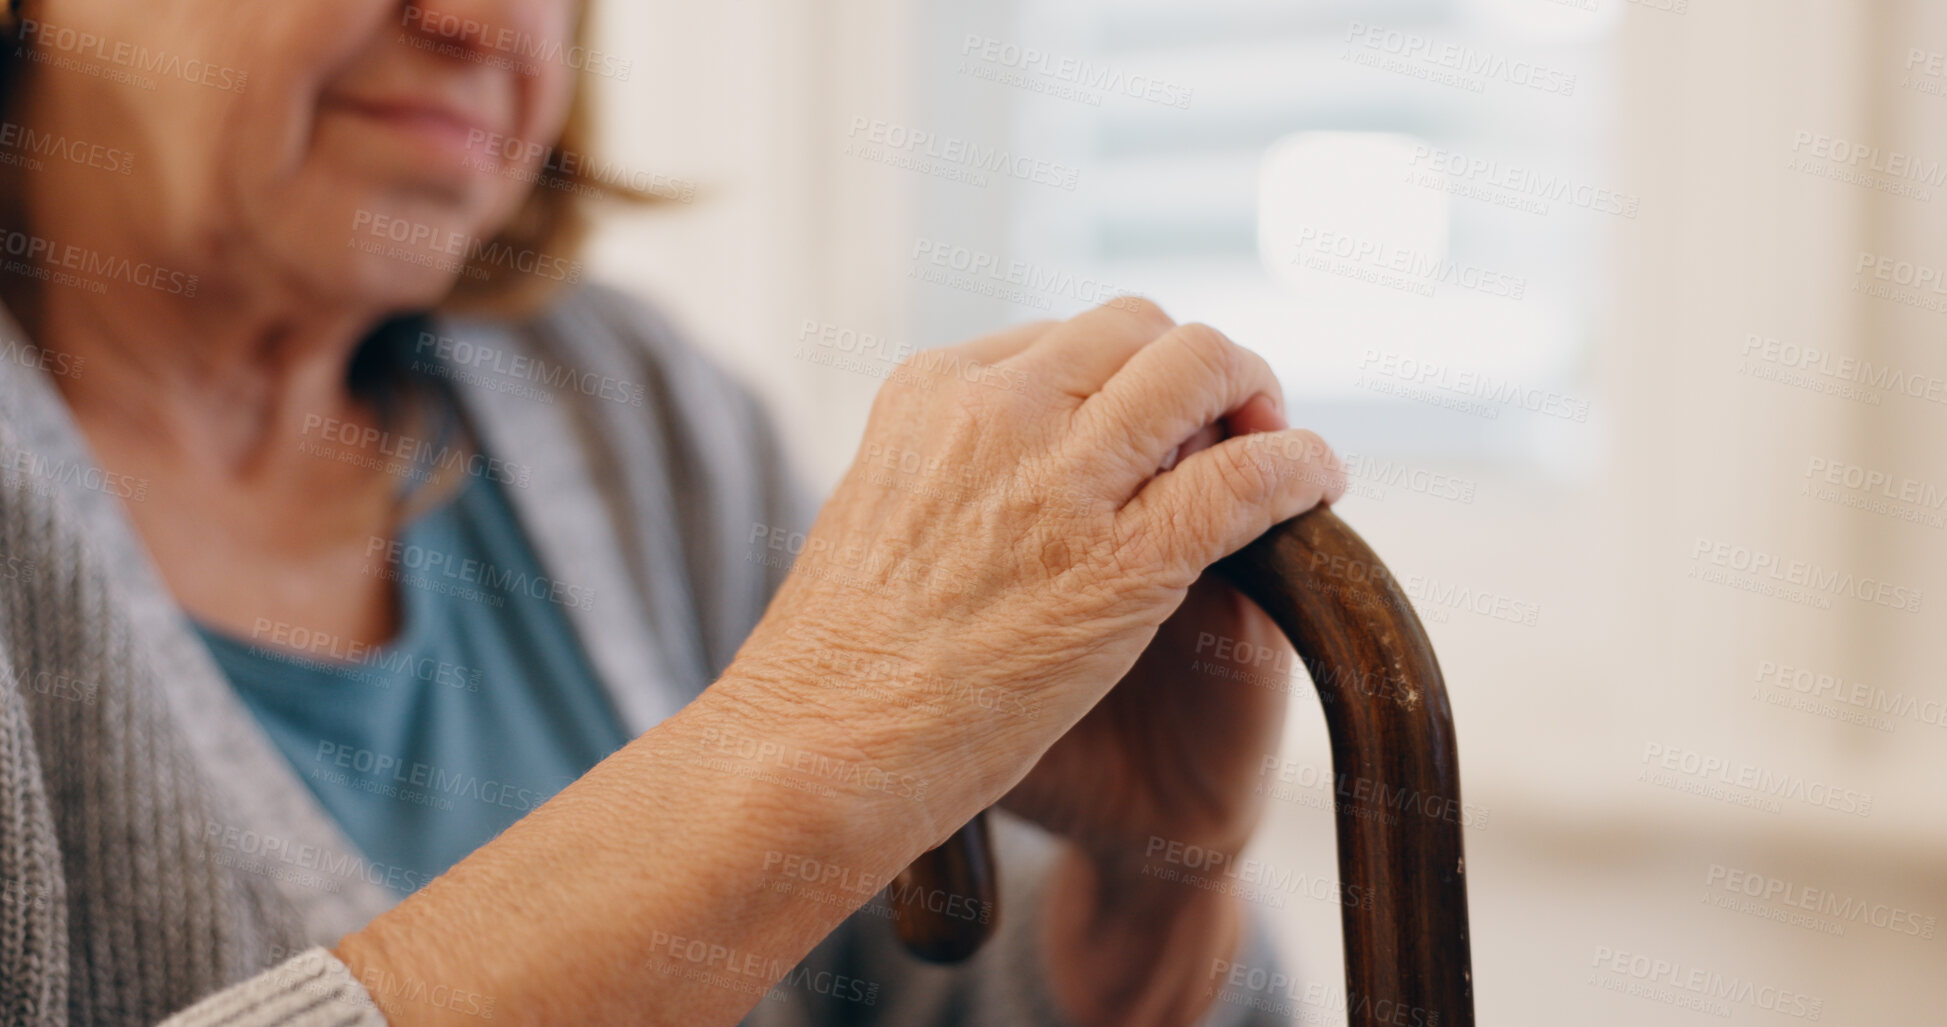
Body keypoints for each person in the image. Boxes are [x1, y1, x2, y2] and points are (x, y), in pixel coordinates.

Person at [0, 1, 1344, 1024]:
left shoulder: (630, 407)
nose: (484, 25)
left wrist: (1154, 883)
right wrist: (812, 745)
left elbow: (894, 993)